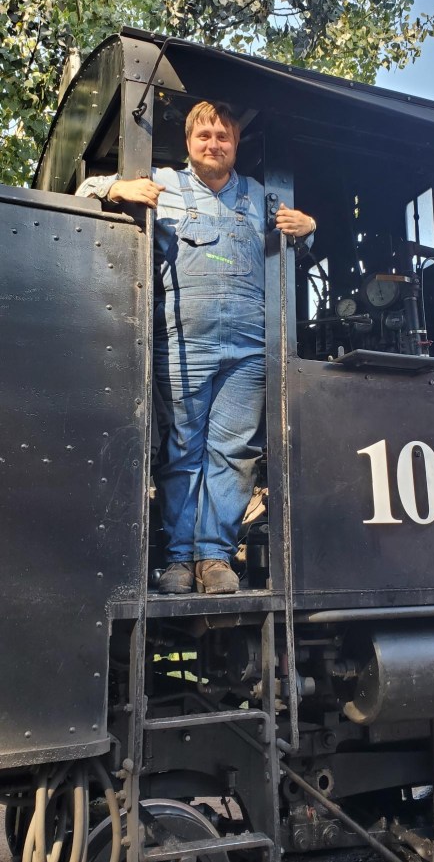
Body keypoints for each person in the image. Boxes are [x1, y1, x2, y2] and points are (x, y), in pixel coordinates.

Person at [77, 102, 315, 594]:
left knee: (234, 452)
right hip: (184, 346)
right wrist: (116, 189)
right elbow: (83, 193)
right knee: (182, 451)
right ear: (189, 142)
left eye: (223, 136)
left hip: (250, 351)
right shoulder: (163, 185)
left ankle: (215, 557)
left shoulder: (262, 197)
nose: (214, 144)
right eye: (204, 135)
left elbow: (298, 249)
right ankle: (179, 561)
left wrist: (309, 229)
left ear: (235, 145)